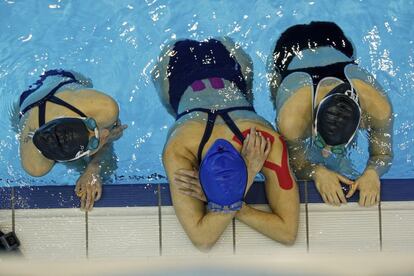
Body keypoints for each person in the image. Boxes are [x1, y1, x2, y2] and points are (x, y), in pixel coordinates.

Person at [152, 37, 299, 251]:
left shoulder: (180, 147)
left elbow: (287, 233)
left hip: (178, 69)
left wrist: (224, 204)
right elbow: (202, 239)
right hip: (227, 59)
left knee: (173, 109)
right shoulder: (264, 141)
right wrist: (244, 179)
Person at [269, 22, 393, 207]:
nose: (326, 152)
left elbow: (384, 154)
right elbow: (297, 164)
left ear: (362, 121)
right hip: (291, 54)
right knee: (275, 96)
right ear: (312, 121)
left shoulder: (378, 107)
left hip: (336, 45)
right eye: (320, 140)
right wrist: (316, 171)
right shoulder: (292, 119)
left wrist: (372, 173)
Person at [14, 69, 127, 211]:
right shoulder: (35, 166)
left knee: (106, 168)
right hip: (24, 106)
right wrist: (88, 168)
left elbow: (112, 130)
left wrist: (93, 168)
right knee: (86, 165)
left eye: (91, 124)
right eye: (92, 141)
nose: (104, 133)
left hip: (60, 79)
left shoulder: (104, 107)